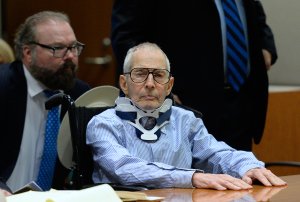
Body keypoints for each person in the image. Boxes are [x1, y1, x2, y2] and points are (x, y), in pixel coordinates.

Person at [86, 42, 286, 190]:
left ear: (169, 85)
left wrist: (247, 167)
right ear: (123, 84)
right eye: (139, 74)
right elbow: (123, 167)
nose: (149, 83)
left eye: (158, 75)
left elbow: (215, 153)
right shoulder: (103, 124)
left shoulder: (185, 121)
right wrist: (192, 178)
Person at [111, 0, 277, 151]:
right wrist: (158, 87)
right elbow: (127, 35)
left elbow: (252, 11)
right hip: (181, 105)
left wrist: (265, 45)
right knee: (183, 180)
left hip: (242, 102)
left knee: (242, 176)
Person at [0, 11, 91, 194]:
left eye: (74, 47)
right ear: (28, 53)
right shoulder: (2, 87)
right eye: (58, 48)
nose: (70, 56)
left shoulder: (81, 96)